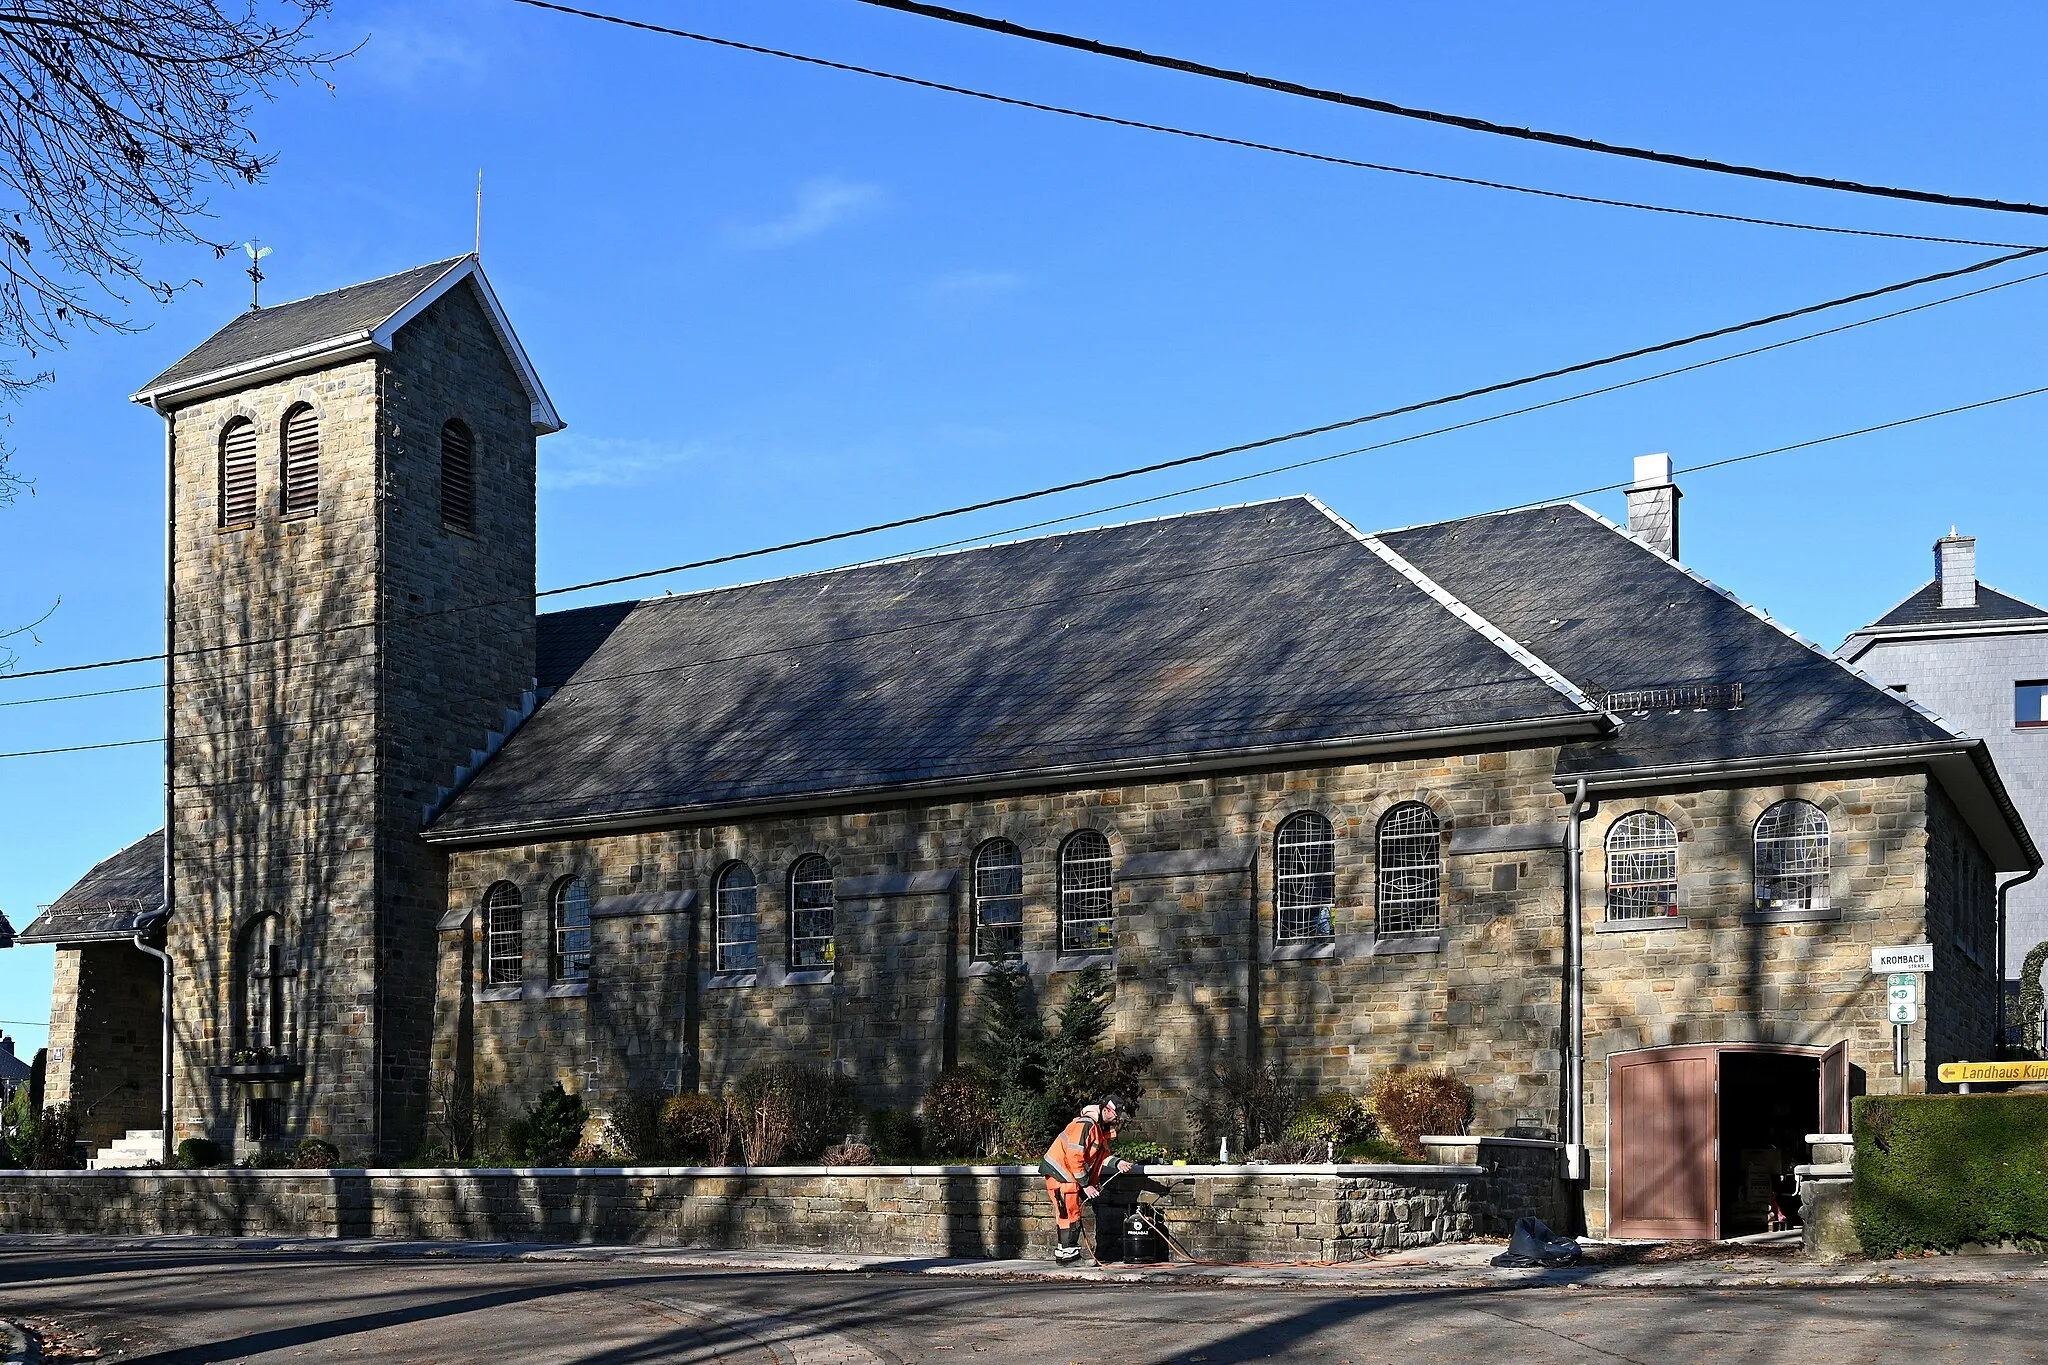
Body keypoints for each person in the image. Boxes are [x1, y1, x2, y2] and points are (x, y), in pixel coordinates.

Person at [1039, 1094, 1136, 1264]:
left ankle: (1065, 1254)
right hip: (1061, 1175)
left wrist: (1118, 1163)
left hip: (1066, 1176)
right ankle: (1069, 1256)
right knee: (1070, 1215)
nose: (1116, 1119)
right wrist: (1086, 1185)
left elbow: (1102, 1156)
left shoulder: (1098, 1128)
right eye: (1115, 1115)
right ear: (1106, 1110)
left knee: (1067, 1215)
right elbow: (1074, 1156)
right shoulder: (1085, 1124)